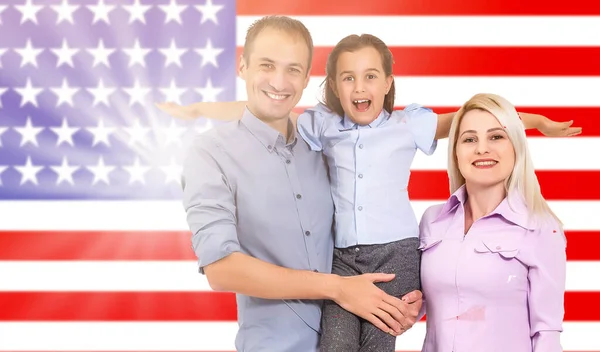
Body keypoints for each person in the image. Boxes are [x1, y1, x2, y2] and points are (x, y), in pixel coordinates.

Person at [161, 32, 579, 351]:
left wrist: (535, 121)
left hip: (396, 249)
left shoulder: (406, 125)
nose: (360, 87)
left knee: (380, 339)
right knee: (337, 343)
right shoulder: (322, 125)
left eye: (370, 77)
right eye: (348, 78)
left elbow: (470, 119)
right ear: (334, 87)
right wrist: (198, 110)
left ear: (387, 83)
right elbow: (261, 109)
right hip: (342, 259)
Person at [179, 16, 422, 352]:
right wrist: (338, 288)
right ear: (242, 66)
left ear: (307, 78)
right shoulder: (210, 153)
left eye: (293, 69)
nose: (279, 81)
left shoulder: (324, 144)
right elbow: (221, 269)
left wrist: (395, 304)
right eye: (267, 65)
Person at [417, 93, 566, 352]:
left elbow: (547, 334)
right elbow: (416, 304)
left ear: (515, 146)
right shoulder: (432, 221)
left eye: (496, 136)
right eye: (469, 139)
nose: (482, 149)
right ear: (455, 151)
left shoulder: (542, 228)